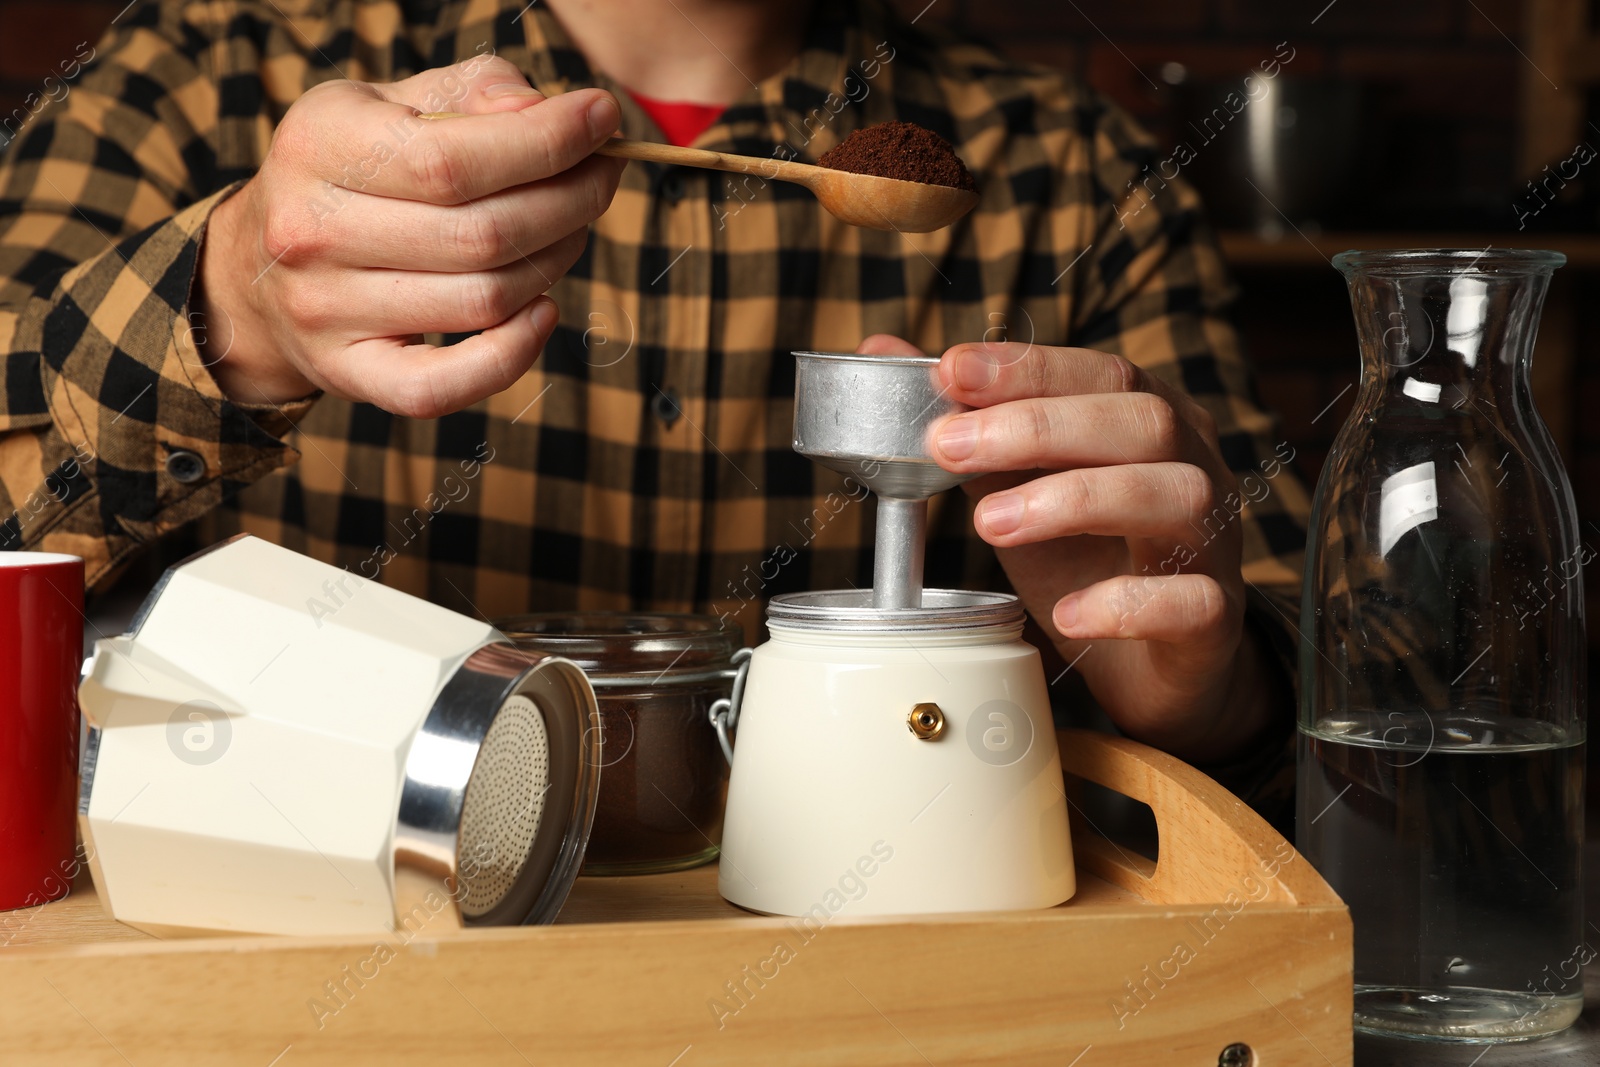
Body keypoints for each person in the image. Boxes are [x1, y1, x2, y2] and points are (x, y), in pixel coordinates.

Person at [0, 0, 1311, 826]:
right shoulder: (203, 70)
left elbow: (1398, 719)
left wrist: (1218, 693)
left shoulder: (1070, 173)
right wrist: (231, 303)